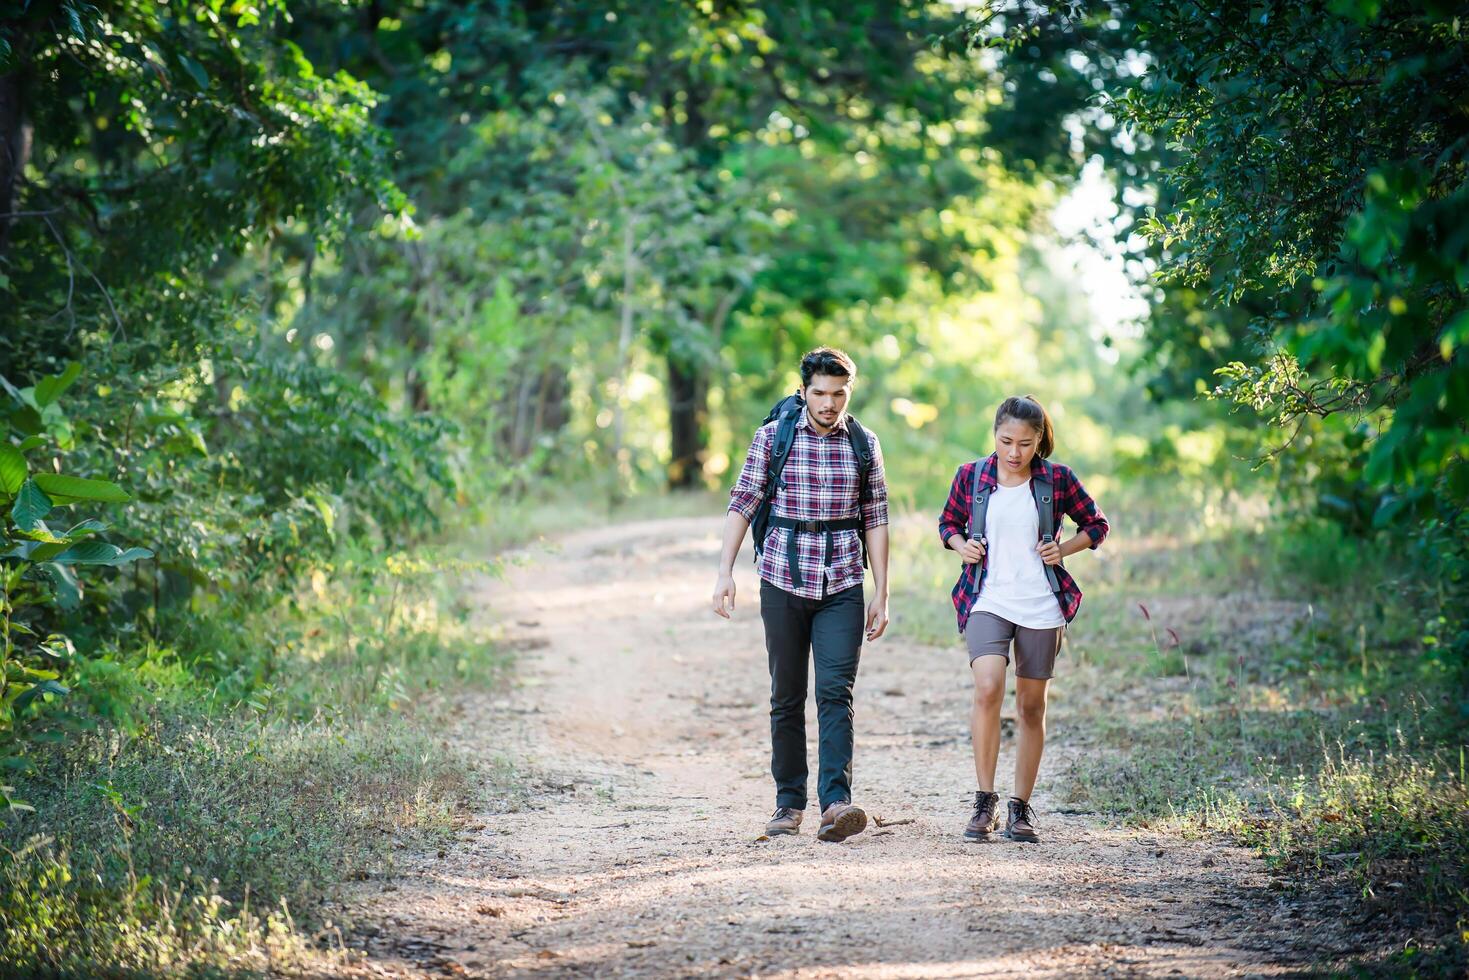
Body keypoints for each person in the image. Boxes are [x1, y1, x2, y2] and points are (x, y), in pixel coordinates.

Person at [711, 347, 890, 843]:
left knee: (836, 692)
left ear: (849, 392)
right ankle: (789, 803)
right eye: (820, 393)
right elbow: (743, 501)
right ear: (803, 390)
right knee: (786, 695)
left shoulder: (863, 443)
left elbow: (875, 517)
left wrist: (883, 592)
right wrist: (724, 572)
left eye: (839, 394)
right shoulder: (773, 438)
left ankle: (836, 802)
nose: (830, 404)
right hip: (783, 580)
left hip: (842, 583)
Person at [936, 395, 1109, 843]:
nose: (1014, 452)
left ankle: (1021, 809)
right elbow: (947, 524)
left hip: (1041, 602)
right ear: (994, 434)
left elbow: (1096, 525)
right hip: (987, 596)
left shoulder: (1057, 479)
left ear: (1040, 442)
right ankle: (983, 802)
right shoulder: (971, 476)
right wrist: (961, 546)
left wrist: (1063, 548)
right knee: (988, 686)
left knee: (1032, 707)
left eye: (1025, 443)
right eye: (1006, 440)